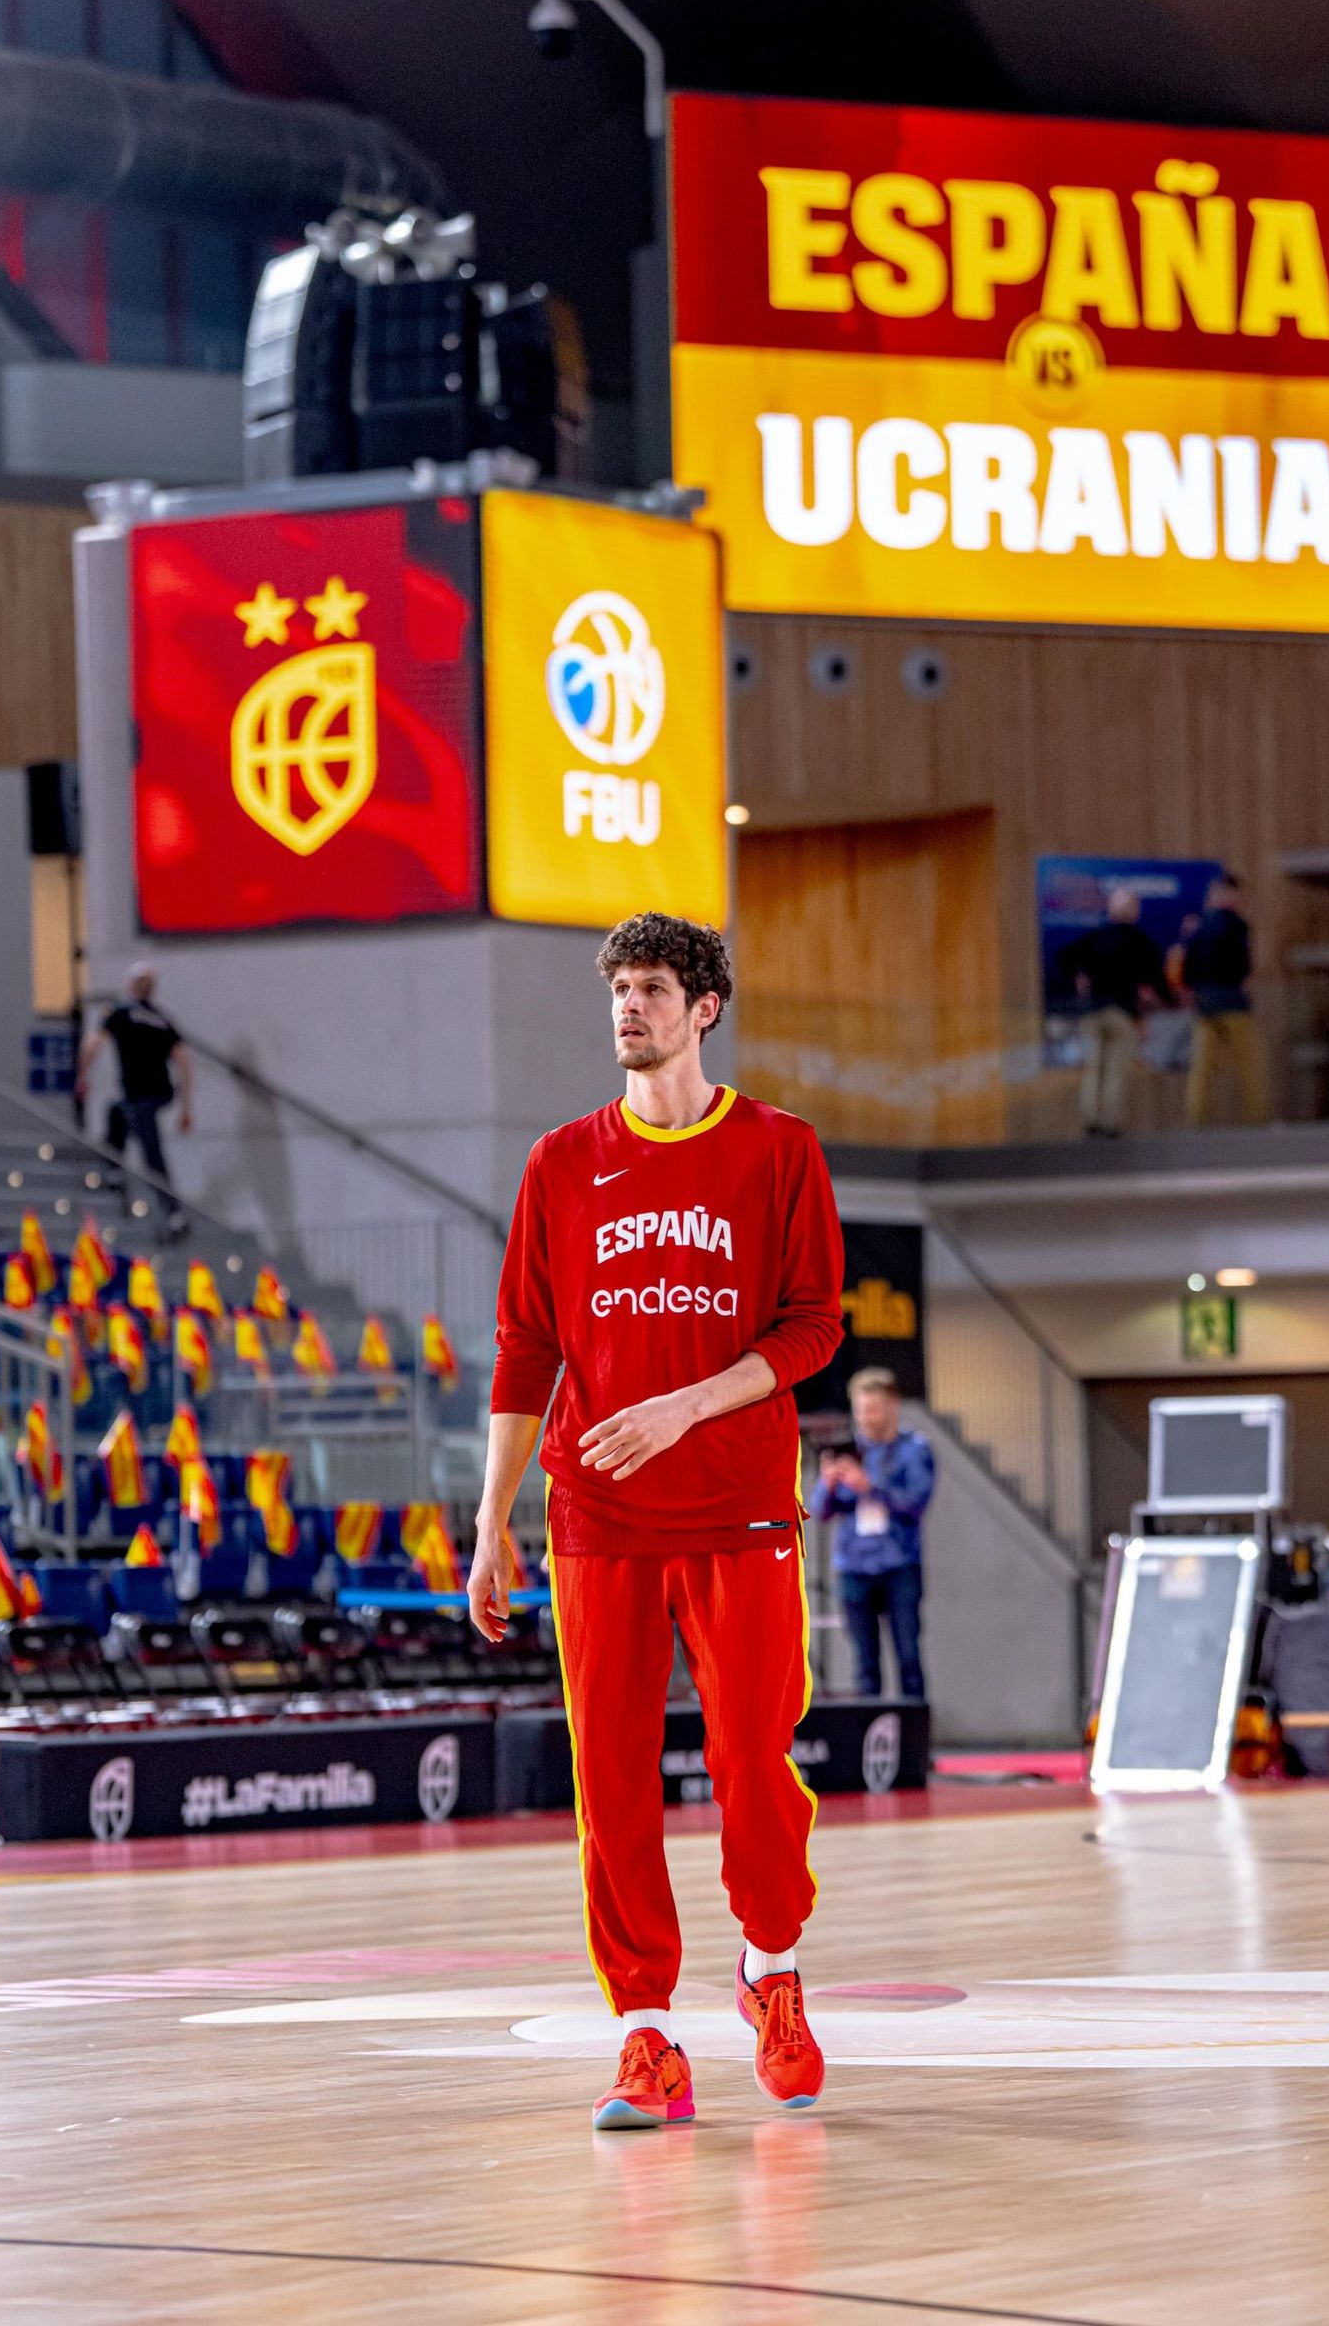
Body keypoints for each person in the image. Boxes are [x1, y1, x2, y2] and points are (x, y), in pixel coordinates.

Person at [468, 910, 844, 2132]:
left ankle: (769, 1968)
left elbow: (812, 1326)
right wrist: (490, 1521)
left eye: (650, 988)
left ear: (704, 1008)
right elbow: (526, 1349)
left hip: (738, 1504)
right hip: (597, 1518)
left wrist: (688, 1403)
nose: (627, 1007)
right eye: (617, 988)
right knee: (612, 1780)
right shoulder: (560, 1163)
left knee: (749, 1761)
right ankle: (644, 2035)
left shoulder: (779, 1148)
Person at [810, 1367, 934, 1700]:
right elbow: (819, 1511)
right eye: (860, 1410)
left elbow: (916, 1504)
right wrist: (830, 1481)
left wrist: (869, 1487)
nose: (866, 1417)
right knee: (864, 1664)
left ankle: (913, 1746)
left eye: (873, 1409)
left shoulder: (914, 1449)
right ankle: (870, 1745)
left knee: (909, 1656)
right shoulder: (847, 1450)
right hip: (854, 1566)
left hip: (899, 1564)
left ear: (892, 1405)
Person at [76, 964, 191, 1227]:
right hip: (157, 1092)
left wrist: (82, 1077)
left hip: (142, 1095)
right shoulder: (161, 1018)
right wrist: (185, 1107)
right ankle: (114, 1169)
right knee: (116, 1111)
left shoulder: (121, 1012)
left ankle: (172, 1210)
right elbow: (183, 1062)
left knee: (151, 1151)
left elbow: (92, 1043)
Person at [1062, 888, 1170, 1137]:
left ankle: (1091, 1118)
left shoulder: (1095, 937)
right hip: (1121, 1012)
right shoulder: (1140, 941)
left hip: (1092, 1012)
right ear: (1134, 911)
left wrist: (1080, 977)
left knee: (1093, 1069)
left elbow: (1065, 957)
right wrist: (1164, 1000)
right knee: (1116, 1070)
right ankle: (1110, 1122)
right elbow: (1155, 978)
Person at [1180, 873, 1267, 1126]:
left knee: (1201, 1068)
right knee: (1248, 1065)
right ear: (1230, 895)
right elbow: (1244, 966)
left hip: (1205, 1003)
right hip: (1233, 1002)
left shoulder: (1197, 929)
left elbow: (1187, 969)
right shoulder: (1238, 926)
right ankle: (1257, 1118)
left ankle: (1196, 1119)